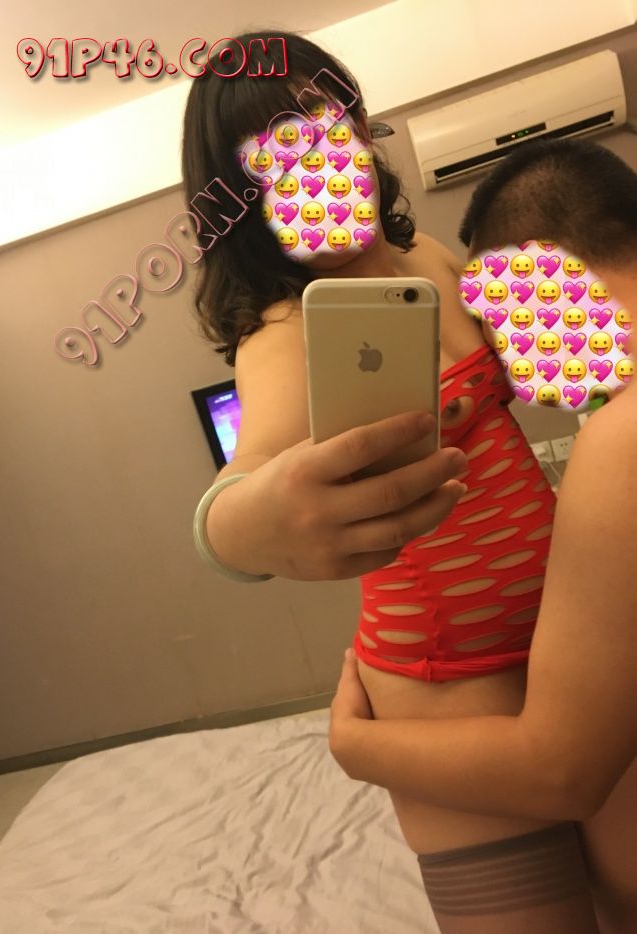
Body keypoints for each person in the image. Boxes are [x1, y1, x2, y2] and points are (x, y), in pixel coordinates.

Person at [185, 34, 602, 932]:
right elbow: (241, 489)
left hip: (571, 633)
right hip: (442, 679)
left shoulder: (437, 262)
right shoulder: (282, 338)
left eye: (328, 128)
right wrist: (239, 528)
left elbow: (578, 376)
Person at [328, 137, 637, 934]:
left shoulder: (623, 440)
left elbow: (562, 773)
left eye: (503, 330)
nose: (521, 379)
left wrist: (355, 747)